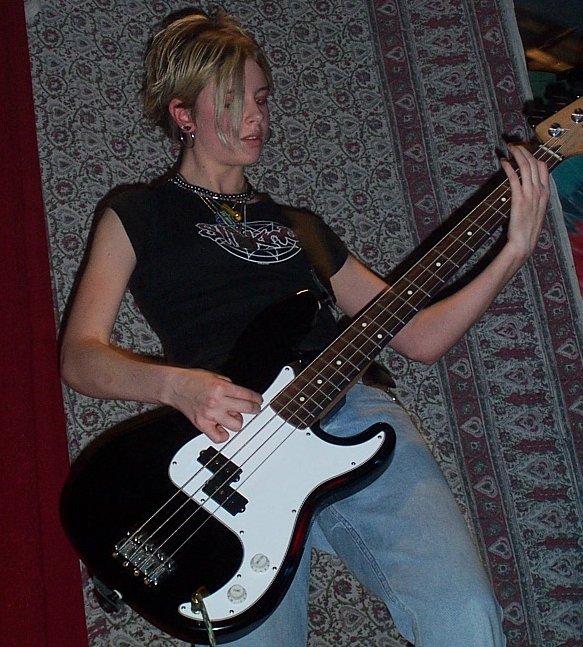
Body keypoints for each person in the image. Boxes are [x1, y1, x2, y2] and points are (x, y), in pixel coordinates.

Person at [59, 8, 549, 647]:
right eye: (232, 100)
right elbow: (80, 357)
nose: (255, 116)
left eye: (261, 98)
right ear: (183, 114)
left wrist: (512, 251)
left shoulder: (302, 226)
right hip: (228, 452)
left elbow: (420, 337)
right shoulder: (136, 213)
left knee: (464, 614)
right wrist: (179, 387)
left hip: (352, 413)